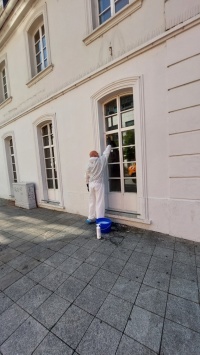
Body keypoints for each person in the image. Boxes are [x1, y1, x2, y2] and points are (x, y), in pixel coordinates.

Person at [85, 144, 111, 224]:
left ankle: (90, 217)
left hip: (91, 184)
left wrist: (87, 184)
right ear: (96, 155)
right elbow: (107, 152)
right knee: (99, 201)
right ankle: (99, 219)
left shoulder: (88, 164)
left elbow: (86, 175)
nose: (99, 155)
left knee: (92, 201)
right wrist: (109, 144)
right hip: (99, 184)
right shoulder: (101, 160)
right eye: (98, 154)